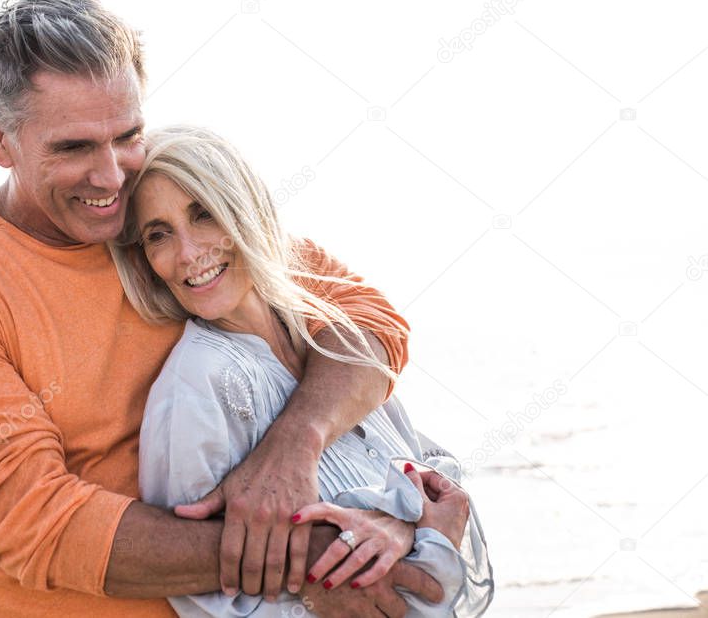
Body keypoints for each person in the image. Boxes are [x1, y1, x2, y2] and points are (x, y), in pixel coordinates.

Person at [0, 0, 440, 617]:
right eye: (73, 148)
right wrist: (317, 558)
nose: (111, 176)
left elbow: (371, 322)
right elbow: (37, 522)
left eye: (127, 135)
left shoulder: (175, 215)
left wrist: (294, 446)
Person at [110, 125, 494, 616]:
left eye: (203, 214)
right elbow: (207, 601)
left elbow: (435, 481)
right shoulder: (198, 384)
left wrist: (399, 526)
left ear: (246, 210)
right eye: (158, 235)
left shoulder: (330, 343)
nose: (187, 253)